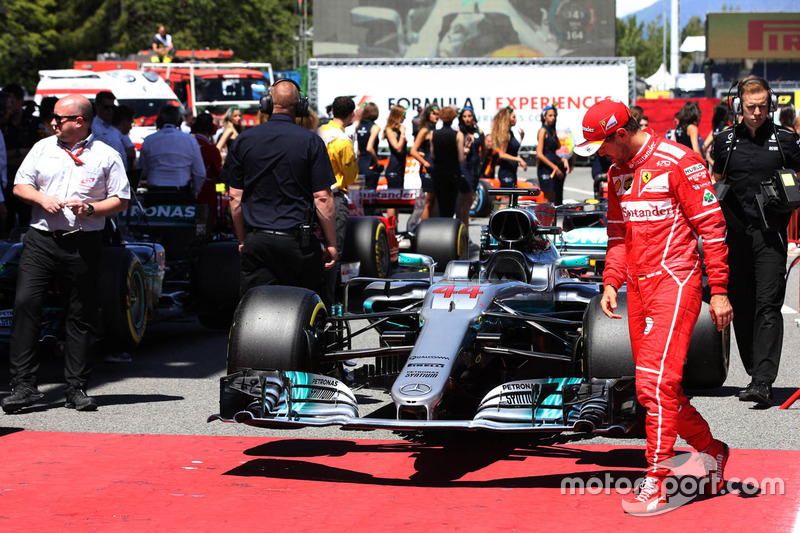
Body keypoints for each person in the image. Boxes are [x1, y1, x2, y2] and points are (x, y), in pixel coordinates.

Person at [575, 99, 732, 514]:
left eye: (603, 145)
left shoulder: (681, 161)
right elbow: (618, 237)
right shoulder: (615, 174)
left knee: (652, 387)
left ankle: (658, 483)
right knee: (660, 390)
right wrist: (611, 282)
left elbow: (712, 228)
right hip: (637, 291)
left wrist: (718, 289)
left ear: (621, 134)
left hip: (676, 283)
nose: (601, 154)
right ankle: (712, 450)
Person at [1, 94, 130, 414]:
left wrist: (92, 208)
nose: (53, 122)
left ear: (80, 121)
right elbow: (20, 185)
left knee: (81, 314)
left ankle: (76, 387)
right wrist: (42, 199)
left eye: (60, 117)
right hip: (41, 240)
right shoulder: (42, 147)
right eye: (53, 118)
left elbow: (121, 199)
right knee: (26, 304)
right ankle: (24, 386)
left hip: (83, 243)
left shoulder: (107, 154)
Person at [711, 76, 800, 407]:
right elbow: (717, 180)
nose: (758, 112)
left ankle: (763, 380)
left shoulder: (787, 141)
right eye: (751, 106)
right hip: (734, 236)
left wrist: (790, 197)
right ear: (739, 106)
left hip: (770, 235)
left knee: (768, 304)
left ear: (772, 104)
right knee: (743, 305)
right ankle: (754, 372)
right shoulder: (723, 142)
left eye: (764, 105)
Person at [222, 78, 337, 304]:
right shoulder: (311, 142)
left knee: (254, 308)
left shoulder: (243, 141)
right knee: (311, 307)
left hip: (257, 240)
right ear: (300, 106)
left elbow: (235, 198)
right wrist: (331, 243)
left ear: (266, 103)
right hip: (298, 244)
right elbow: (323, 198)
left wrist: (243, 239)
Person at [318, 96, 358, 304]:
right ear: (351, 115)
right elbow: (351, 177)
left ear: (332, 110)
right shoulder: (342, 140)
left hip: (312, 196)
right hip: (334, 197)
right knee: (335, 250)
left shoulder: (319, 132)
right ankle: (330, 300)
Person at [139, 105, 206, 206]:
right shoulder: (190, 140)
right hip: (181, 194)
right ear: (179, 121)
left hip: (155, 194)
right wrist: (194, 193)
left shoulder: (149, 140)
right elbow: (200, 173)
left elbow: (143, 170)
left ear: (159, 120)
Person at [1, 84, 38, 232]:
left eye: (12, 103)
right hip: (6, 185)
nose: (9, 111)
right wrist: (19, 152)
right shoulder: (4, 126)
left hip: (27, 184)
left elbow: (36, 153)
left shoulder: (33, 123)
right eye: (7, 106)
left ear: (21, 100)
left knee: (26, 224)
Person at [430, 106, 464, 218]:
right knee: (451, 203)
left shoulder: (433, 134)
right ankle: (449, 225)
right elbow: (461, 158)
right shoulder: (458, 135)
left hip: (439, 171)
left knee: (441, 202)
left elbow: (432, 155)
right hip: (453, 171)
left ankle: (441, 225)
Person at [193, 112, 223, 228]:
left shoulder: (188, 144)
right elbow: (220, 174)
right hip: (206, 191)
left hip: (186, 189)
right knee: (204, 224)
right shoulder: (210, 149)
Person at [535, 105, 570, 204]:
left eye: (554, 116)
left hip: (552, 167)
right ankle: (544, 219)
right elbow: (539, 154)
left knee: (552, 199)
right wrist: (555, 167)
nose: (552, 118)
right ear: (544, 117)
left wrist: (563, 159)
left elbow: (554, 151)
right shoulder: (543, 131)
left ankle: (550, 219)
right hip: (546, 169)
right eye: (550, 115)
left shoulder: (552, 130)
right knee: (547, 198)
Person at [410, 105, 439, 219]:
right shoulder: (424, 130)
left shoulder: (435, 130)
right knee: (427, 202)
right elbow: (413, 151)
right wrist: (425, 163)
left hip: (436, 169)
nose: (436, 116)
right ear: (428, 115)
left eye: (438, 114)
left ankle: (430, 228)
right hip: (427, 170)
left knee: (433, 202)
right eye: (434, 114)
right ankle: (424, 228)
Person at [458, 107, 484, 226]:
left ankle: (463, 224)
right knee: (467, 198)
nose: (467, 119)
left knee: (471, 197)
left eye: (469, 116)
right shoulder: (459, 132)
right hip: (464, 166)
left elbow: (484, 150)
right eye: (465, 116)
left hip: (475, 167)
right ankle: (464, 228)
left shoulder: (479, 131)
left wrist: (482, 163)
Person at [91, 91, 129, 170]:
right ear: (96, 106)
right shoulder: (92, 127)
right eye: (106, 107)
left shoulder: (115, 128)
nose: (110, 111)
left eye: (113, 107)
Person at [383, 105, 408, 220]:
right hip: (393, 168)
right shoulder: (390, 130)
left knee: (397, 201)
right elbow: (397, 148)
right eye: (403, 116)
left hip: (400, 168)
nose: (405, 118)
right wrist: (403, 134)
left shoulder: (397, 130)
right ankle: (391, 230)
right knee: (392, 201)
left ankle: (395, 230)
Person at [491, 106, 526, 189]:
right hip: (506, 171)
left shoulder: (510, 133)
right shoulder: (505, 134)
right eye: (513, 117)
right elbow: (502, 154)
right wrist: (519, 159)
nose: (515, 119)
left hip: (512, 170)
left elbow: (511, 149)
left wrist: (521, 139)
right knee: (506, 197)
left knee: (512, 196)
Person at [356, 102, 381, 190]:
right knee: (370, 195)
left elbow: (358, 151)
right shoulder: (375, 127)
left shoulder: (359, 126)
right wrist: (377, 162)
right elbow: (369, 148)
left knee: (360, 196)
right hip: (370, 165)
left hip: (359, 164)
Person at [702, 104, 730, 168]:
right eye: (729, 113)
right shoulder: (727, 128)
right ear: (725, 115)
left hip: (715, 164)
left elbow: (703, 148)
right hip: (723, 164)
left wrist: (710, 160)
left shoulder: (715, 129)